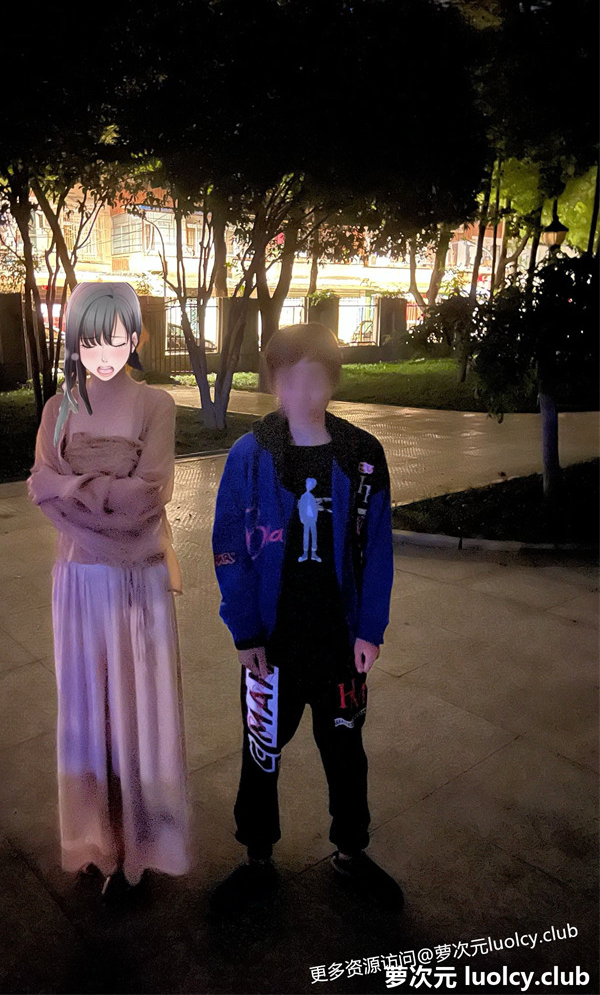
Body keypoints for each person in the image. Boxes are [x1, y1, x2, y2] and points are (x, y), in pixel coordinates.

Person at [210, 321, 402, 914]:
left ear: (333, 381)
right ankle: (256, 856)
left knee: (345, 751)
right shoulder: (251, 455)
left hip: (339, 643)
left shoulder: (362, 456)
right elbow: (229, 547)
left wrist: (369, 629)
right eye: (289, 379)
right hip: (271, 645)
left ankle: (350, 850)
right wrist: (244, 631)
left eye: (314, 378)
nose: (301, 392)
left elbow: (378, 549)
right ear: (273, 383)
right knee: (260, 749)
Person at [27, 281, 190, 899]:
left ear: (135, 338)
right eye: (90, 341)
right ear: (74, 341)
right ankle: (97, 841)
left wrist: (73, 490)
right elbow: (40, 488)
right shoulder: (58, 410)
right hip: (79, 583)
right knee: (87, 716)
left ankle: (142, 843)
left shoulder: (155, 404)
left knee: (137, 713)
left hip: (136, 582)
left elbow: (150, 496)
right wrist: (98, 497)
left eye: (115, 340)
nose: (102, 353)